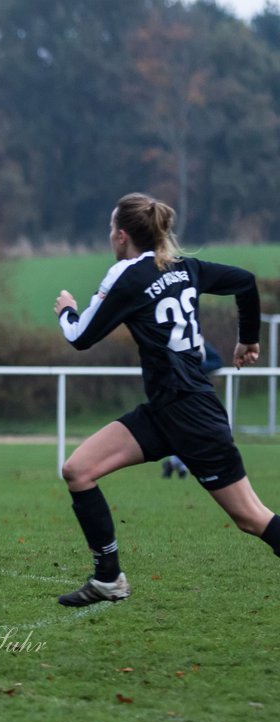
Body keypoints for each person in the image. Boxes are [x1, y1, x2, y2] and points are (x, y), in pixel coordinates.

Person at [53, 192, 279, 607]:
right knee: (78, 470)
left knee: (252, 518)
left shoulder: (127, 275)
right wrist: (248, 339)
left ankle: (109, 579)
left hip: (191, 414)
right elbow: (245, 282)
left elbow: (79, 337)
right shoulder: (184, 267)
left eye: (110, 230)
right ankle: (109, 579)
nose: (110, 237)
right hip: (165, 411)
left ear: (121, 236)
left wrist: (67, 309)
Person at [162, 342, 223, 479]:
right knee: (185, 434)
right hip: (178, 397)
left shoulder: (198, 341)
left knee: (197, 434)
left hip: (199, 397)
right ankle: (180, 465)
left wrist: (196, 367)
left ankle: (174, 464)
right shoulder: (169, 342)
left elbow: (217, 361)